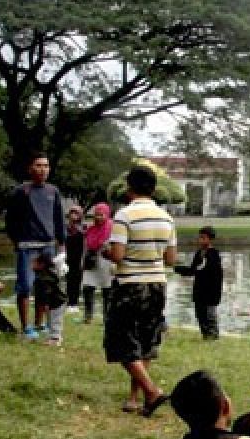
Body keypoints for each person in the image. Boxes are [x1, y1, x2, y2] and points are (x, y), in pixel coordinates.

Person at [102, 164, 176, 416]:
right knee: (145, 341)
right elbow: (171, 259)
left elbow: (118, 254)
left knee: (121, 341)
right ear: (154, 189)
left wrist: (106, 251)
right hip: (157, 283)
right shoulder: (166, 218)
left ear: (129, 187)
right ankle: (136, 398)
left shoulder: (124, 215)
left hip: (130, 284)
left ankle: (151, 391)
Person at [5, 151, 65, 338]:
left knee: (45, 286)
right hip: (27, 245)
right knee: (25, 285)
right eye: (38, 165)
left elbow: (58, 218)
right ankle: (26, 326)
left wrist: (61, 243)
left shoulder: (53, 191)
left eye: (46, 166)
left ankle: (40, 323)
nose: (42, 169)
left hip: (48, 245)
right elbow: (10, 220)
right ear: (30, 168)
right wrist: (17, 240)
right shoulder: (21, 191)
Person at [174, 225, 223, 340]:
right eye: (200, 237)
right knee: (200, 314)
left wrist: (186, 270)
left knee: (210, 315)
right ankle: (205, 335)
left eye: (203, 238)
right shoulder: (199, 253)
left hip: (210, 291)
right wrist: (177, 268)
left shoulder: (214, 254)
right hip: (199, 290)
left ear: (210, 239)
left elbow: (201, 270)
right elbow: (193, 270)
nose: (200, 240)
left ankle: (213, 336)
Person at [81, 203, 115, 323]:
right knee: (87, 287)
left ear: (107, 214)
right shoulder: (91, 228)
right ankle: (88, 316)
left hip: (106, 261)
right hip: (91, 260)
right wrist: (83, 260)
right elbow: (86, 245)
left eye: (101, 215)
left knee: (107, 290)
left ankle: (107, 317)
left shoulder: (112, 227)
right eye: (96, 215)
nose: (98, 217)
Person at [33, 249, 67, 347]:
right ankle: (52, 336)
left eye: (34, 262)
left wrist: (46, 303)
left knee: (55, 319)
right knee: (50, 320)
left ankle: (56, 338)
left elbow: (47, 292)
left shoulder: (45, 277)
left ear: (42, 264)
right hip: (54, 302)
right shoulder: (44, 275)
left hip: (57, 302)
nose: (32, 264)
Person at [63, 204, 86, 310]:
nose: (73, 215)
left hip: (79, 257)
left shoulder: (84, 227)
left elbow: (86, 244)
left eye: (76, 213)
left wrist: (83, 259)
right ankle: (69, 303)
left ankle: (75, 303)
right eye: (72, 212)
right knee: (69, 280)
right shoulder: (65, 228)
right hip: (68, 257)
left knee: (77, 281)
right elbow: (61, 243)